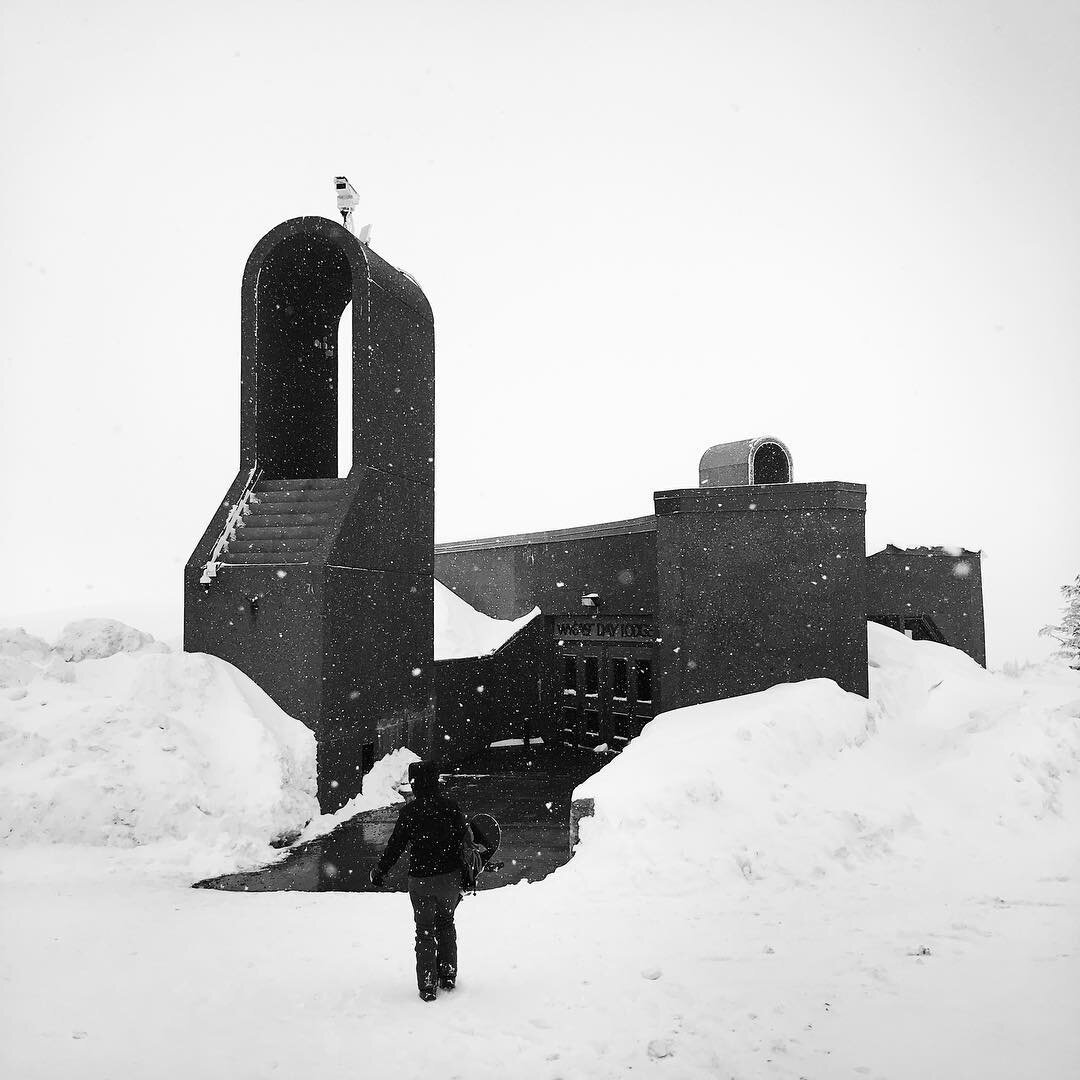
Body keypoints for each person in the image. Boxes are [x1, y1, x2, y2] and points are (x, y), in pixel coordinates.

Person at [369, 760, 473, 1002]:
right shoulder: (450, 807)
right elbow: (465, 840)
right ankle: (447, 974)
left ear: (415, 784)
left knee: (424, 932)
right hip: (449, 878)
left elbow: (394, 847)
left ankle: (427, 984)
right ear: (435, 780)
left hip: (421, 881)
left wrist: (380, 871)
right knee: (446, 923)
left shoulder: (410, 813)